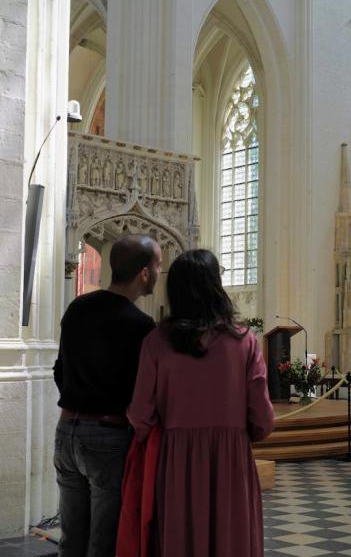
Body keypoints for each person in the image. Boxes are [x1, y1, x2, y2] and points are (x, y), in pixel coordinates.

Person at [127, 249, 274, 557]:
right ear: (215, 286)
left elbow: (140, 413)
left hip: (176, 459)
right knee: (230, 540)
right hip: (231, 461)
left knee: (180, 538)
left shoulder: (156, 342)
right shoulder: (245, 341)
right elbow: (262, 420)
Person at [53, 234, 162, 557]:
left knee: (71, 540)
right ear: (144, 272)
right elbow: (142, 392)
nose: (159, 270)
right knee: (104, 542)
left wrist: (79, 401)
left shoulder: (78, 308)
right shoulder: (141, 326)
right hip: (107, 436)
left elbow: (60, 370)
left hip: (67, 430)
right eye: (157, 264)